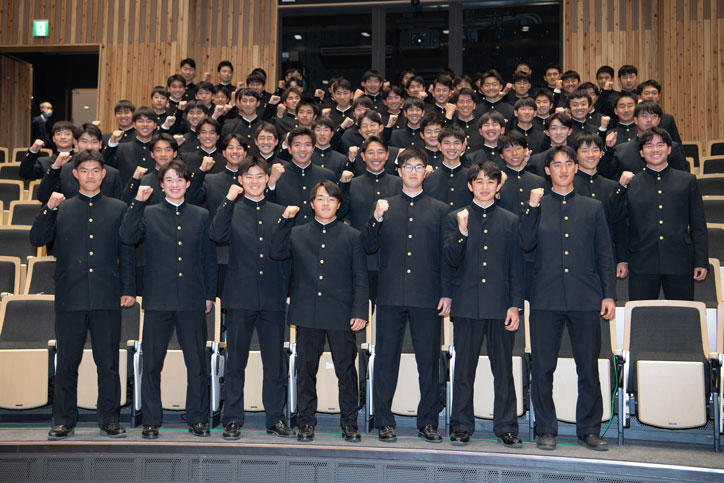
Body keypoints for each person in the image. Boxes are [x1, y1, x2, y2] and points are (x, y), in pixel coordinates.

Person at [29, 149, 135, 440]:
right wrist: (49, 209)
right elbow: (37, 239)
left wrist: (128, 289)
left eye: (95, 170)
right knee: (66, 362)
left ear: (104, 174)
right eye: (84, 170)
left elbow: (126, 253)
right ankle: (63, 420)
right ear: (75, 174)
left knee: (108, 362)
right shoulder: (62, 207)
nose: (90, 176)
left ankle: (110, 419)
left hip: (106, 294)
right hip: (70, 295)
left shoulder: (118, 208)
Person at [519, 145, 616, 452]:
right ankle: (545, 429)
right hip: (545, 298)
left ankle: (589, 429)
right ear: (547, 170)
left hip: (585, 296)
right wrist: (531, 208)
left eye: (568, 164)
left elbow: (604, 254)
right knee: (543, 367)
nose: (563, 169)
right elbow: (525, 243)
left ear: (576, 168)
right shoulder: (537, 205)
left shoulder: (593, 207)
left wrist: (609, 294)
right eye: (556, 164)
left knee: (587, 367)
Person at [119, 160, 217, 440]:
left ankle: (197, 418)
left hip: (192, 298)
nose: (175, 185)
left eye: (180, 179)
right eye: (169, 180)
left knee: (196, 363)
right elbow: (127, 235)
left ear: (188, 183)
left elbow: (209, 259)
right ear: (161, 185)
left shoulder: (201, 215)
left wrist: (209, 295)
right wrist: (138, 202)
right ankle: (151, 419)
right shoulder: (148, 212)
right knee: (152, 363)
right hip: (157, 299)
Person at [362, 148, 452, 443]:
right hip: (389, 295)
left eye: (418, 167)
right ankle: (384, 421)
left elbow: (445, 257)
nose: (413, 172)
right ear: (398, 171)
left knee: (428, 362)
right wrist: (375, 219)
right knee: (386, 360)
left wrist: (447, 293)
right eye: (408, 167)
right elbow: (368, 247)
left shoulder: (440, 210)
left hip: (427, 296)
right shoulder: (384, 206)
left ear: (426, 172)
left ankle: (428, 422)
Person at [271, 180, 368, 443]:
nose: (326, 203)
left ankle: (349, 422)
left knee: (346, 370)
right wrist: (285, 221)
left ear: (339, 204)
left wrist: (360, 311)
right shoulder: (297, 233)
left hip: (341, 312)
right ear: (312, 203)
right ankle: (306, 422)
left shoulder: (352, 236)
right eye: (321, 199)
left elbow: (360, 277)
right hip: (307, 311)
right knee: (306, 371)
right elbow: (276, 252)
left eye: (331, 199)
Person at [208, 155, 295, 440]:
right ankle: (233, 418)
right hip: (239, 296)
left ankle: (275, 417)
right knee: (236, 362)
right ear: (240, 180)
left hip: (272, 297)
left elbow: (287, 253)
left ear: (267, 179)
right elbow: (216, 234)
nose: (255, 181)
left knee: (274, 363)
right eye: (249, 176)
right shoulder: (231, 208)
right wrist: (228, 199)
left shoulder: (280, 211)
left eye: (260, 176)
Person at [445, 160, 524, 447]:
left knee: (503, 369)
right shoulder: (455, 217)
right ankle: (460, 425)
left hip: (500, 305)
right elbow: (450, 260)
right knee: (464, 369)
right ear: (470, 186)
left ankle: (507, 426)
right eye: (478, 181)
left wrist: (515, 306)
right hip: (466, 304)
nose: (484, 187)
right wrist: (462, 233)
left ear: (498, 185)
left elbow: (516, 267)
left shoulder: (510, 220)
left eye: (490, 181)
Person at [622, 127, 708, 300]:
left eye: (660, 145)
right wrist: (622, 259)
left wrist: (701, 260)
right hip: (642, 262)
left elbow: (698, 224)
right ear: (641, 152)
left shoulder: (687, 180)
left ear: (669, 149)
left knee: (682, 313)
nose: (655, 149)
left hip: (680, 261)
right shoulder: (631, 184)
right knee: (642, 313)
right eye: (649, 145)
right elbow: (622, 226)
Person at [36, 123, 123, 203]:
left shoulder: (113, 173)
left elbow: (118, 206)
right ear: (76, 143)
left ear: (100, 144)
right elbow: (43, 197)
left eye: (94, 142)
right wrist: (55, 168)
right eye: (84, 141)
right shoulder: (63, 170)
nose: (89, 147)